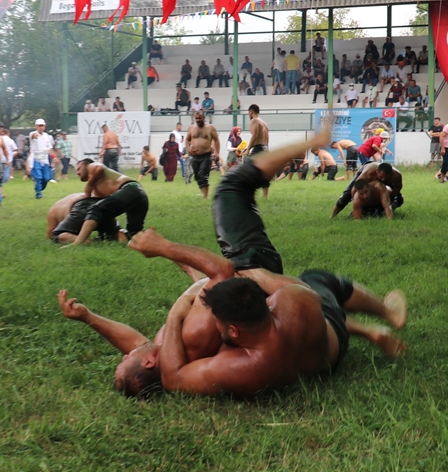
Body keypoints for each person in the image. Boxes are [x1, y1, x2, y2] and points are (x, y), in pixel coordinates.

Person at [102, 127, 407, 397]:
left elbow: (170, 375)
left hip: (325, 350)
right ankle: (384, 315)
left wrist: (90, 315)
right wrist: (246, 272)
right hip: (320, 331)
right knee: (317, 280)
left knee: (313, 297)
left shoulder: (230, 360)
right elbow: (227, 276)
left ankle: (373, 330)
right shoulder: (290, 305)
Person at [69, 158, 150, 244]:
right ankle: (151, 240)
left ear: (86, 164)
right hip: (139, 196)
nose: (77, 173)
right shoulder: (99, 185)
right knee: (134, 234)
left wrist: (89, 185)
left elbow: (98, 169)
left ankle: (77, 243)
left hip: (130, 188)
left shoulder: (92, 166)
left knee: (96, 210)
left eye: (79, 168)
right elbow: (104, 205)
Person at [330, 162, 404, 220]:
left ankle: (376, 209)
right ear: (376, 172)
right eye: (380, 177)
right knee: (346, 195)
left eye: (386, 178)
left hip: (383, 174)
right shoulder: (368, 174)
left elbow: (397, 189)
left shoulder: (396, 176)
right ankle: (332, 216)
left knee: (399, 199)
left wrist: (386, 198)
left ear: (390, 174)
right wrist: (358, 204)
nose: (383, 180)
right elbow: (354, 190)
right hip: (365, 169)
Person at [185, 110, 220, 199]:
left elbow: (216, 140)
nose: (198, 120)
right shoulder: (191, 128)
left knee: (203, 174)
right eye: (196, 118)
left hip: (206, 156)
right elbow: (187, 140)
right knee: (197, 177)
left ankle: (205, 196)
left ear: (204, 118)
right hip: (195, 156)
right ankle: (205, 194)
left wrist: (217, 153)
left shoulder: (210, 128)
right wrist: (189, 149)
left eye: (199, 118)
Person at [246, 106, 271, 199]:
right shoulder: (264, 123)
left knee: (247, 170)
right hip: (265, 148)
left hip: (258, 148)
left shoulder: (254, 120)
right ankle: (265, 196)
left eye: (249, 113)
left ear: (251, 112)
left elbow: (254, 136)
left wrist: (248, 149)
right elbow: (267, 139)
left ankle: (250, 194)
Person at [28, 118, 55, 198]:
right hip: (36, 159)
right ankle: (38, 193)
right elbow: (33, 136)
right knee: (39, 177)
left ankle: (38, 187)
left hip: (45, 159)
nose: (41, 127)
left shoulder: (47, 136)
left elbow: (50, 148)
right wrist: (34, 135)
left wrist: (54, 157)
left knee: (46, 178)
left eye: (42, 126)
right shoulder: (33, 133)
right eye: (39, 126)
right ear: (36, 126)